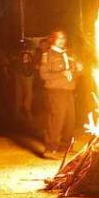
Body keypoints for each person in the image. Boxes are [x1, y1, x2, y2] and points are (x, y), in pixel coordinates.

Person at [39, 29, 81, 157]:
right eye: (59, 38)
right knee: (57, 119)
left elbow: (73, 72)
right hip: (56, 91)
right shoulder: (48, 56)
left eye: (64, 38)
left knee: (70, 119)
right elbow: (43, 75)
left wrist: (79, 69)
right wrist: (60, 74)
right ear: (52, 40)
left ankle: (65, 146)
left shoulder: (68, 54)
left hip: (69, 91)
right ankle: (50, 149)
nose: (62, 41)